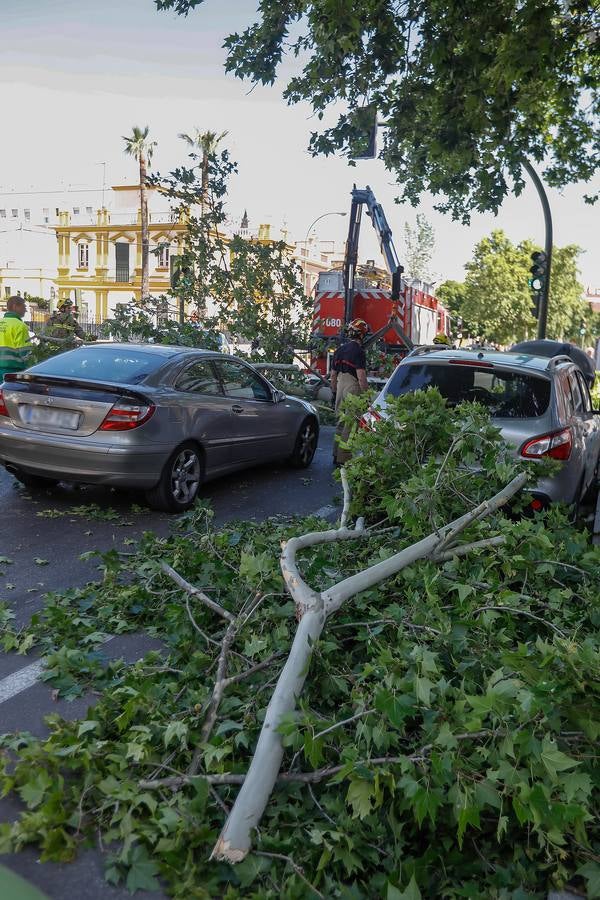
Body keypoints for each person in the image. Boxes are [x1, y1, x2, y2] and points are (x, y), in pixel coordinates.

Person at [330, 318, 370, 465]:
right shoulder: (359, 351)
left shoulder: (340, 350)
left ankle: (335, 454)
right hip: (353, 388)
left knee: (340, 422)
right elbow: (361, 377)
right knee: (351, 424)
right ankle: (344, 458)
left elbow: (333, 376)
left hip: (340, 386)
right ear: (362, 335)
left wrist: (334, 393)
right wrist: (367, 396)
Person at [0, 295, 31, 382]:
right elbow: (25, 352)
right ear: (15, 306)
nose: (25, 310)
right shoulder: (20, 326)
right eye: (23, 306)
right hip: (11, 371)